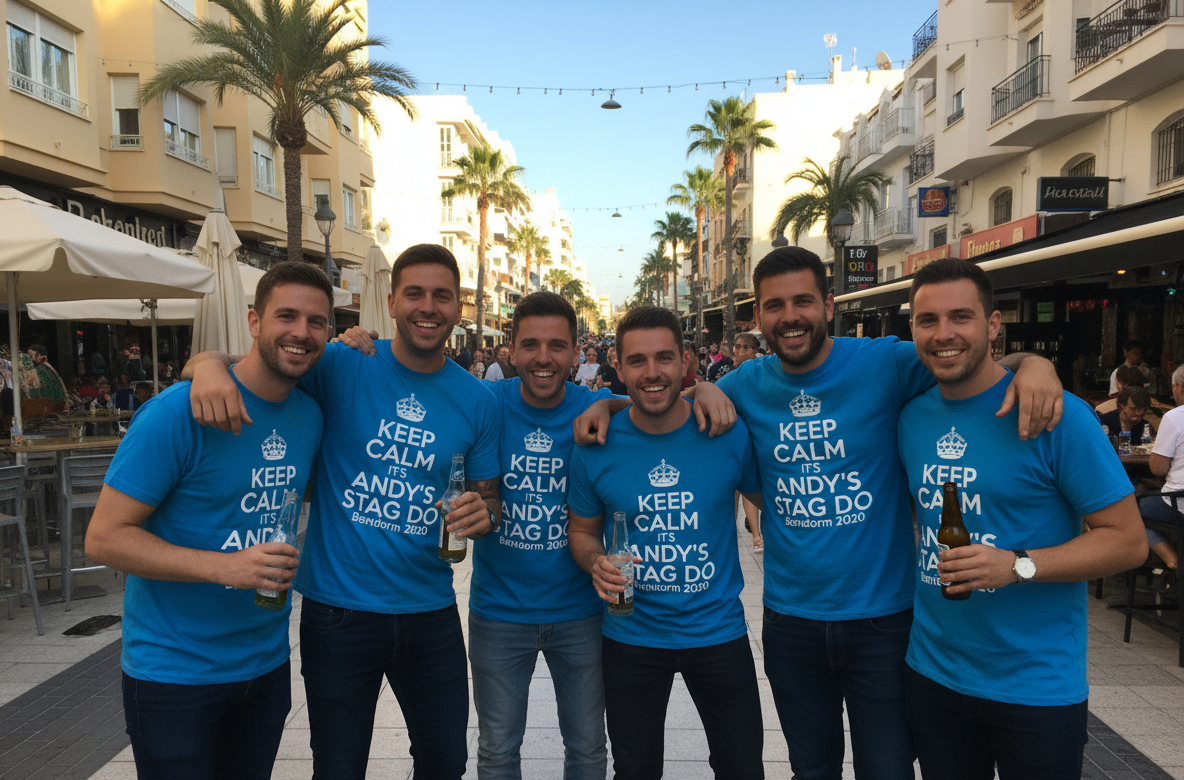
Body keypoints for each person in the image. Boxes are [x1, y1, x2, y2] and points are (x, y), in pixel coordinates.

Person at [574, 246, 1063, 780]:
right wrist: (607, 404)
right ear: (757, 316)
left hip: (883, 620)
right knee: (811, 767)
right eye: (775, 305)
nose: (790, 316)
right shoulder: (742, 385)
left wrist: (1034, 363)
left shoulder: (885, 363)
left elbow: (961, 360)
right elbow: (661, 398)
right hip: (792, 623)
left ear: (828, 305)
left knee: (888, 768)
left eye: (803, 301)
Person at [183, 244, 501, 780]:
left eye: (442, 296)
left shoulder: (478, 399)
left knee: (447, 760)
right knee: (338, 765)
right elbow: (257, 362)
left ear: (457, 308)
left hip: (430, 610)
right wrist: (207, 369)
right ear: (393, 303)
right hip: (338, 613)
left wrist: (483, 512)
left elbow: (488, 497)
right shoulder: (340, 362)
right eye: (415, 293)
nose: (429, 306)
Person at [898, 257, 1146, 779]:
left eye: (961, 317)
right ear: (913, 330)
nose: (944, 334)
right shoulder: (910, 417)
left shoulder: (1058, 415)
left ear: (992, 326)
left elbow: (1128, 541)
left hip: (1035, 686)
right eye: (928, 320)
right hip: (933, 674)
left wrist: (1018, 565)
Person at [85, 262, 333, 780]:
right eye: (286, 315)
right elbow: (104, 538)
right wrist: (225, 568)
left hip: (265, 665)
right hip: (175, 673)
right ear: (253, 322)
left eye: (317, 322)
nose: (301, 332)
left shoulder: (308, 415)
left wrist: (208, 361)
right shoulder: (175, 414)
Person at [568, 306, 764, 780]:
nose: (652, 373)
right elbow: (581, 532)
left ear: (685, 360)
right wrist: (595, 562)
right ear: (617, 363)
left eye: (664, 358)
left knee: (742, 767)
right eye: (637, 361)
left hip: (718, 632)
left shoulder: (726, 431)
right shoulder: (597, 442)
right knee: (635, 770)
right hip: (631, 637)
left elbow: (775, 507)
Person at [1143, 363, 1184, 574]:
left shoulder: (1175, 417)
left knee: (1131, 511)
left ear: (1177, 388)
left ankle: (1173, 562)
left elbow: (1157, 469)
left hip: (1179, 504)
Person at [732, 333, 763, 551]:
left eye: (746, 348)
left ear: (754, 351)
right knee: (735, 488)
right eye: (738, 347)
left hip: (758, 436)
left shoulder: (763, 370)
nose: (741, 351)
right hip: (735, 436)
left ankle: (756, 534)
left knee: (751, 485)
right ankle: (733, 532)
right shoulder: (727, 370)